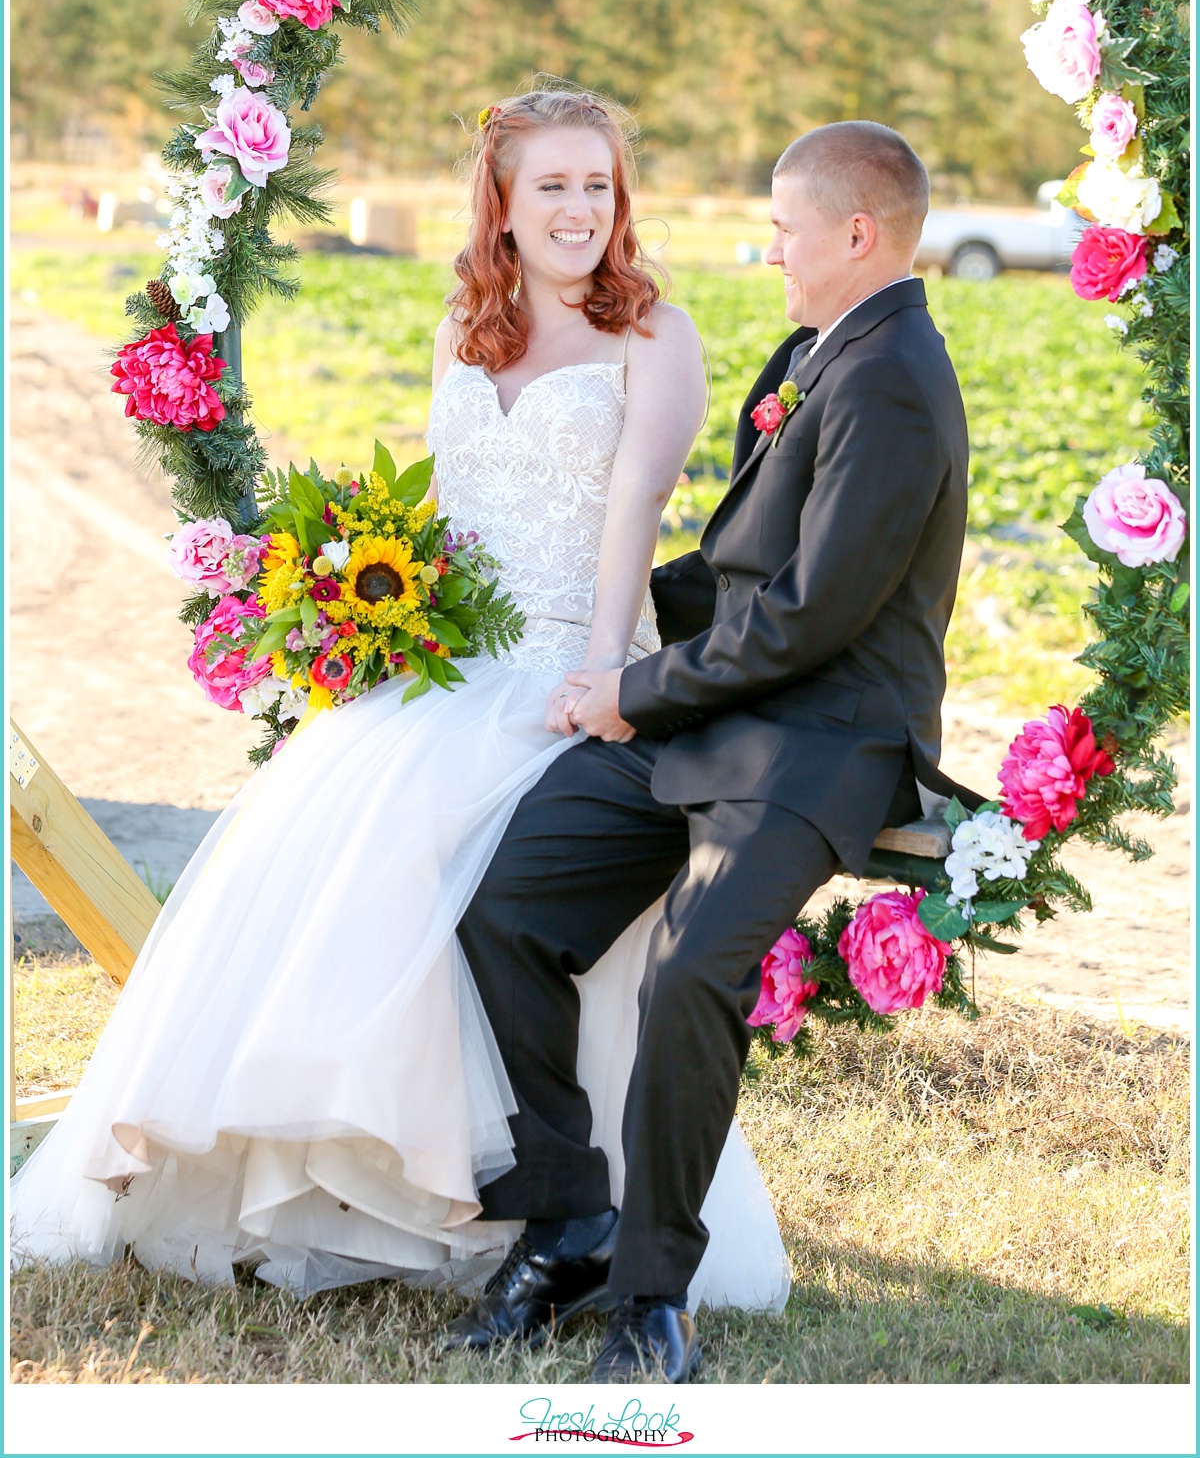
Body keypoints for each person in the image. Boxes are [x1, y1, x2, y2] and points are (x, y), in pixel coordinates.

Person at [9, 87, 793, 1317]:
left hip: (575, 663)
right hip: (451, 664)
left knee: (476, 874)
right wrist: (377, 626)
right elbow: (444, 524)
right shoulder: (462, 335)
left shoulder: (656, 336)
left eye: (598, 185)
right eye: (554, 187)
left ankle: (537, 1204)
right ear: (503, 204)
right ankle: (338, 1183)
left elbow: (635, 515)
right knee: (329, 854)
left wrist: (602, 681)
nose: (581, 209)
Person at [451, 119, 977, 1382]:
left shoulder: (896, 375)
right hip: (726, 707)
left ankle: (648, 1298)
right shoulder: (816, 349)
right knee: (505, 906)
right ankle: (566, 1213)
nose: (771, 250)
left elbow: (811, 620)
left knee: (687, 975)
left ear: (857, 235)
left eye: (787, 230)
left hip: (820, 740)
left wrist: (634, 688)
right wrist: (600, 622)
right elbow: (747, 575)